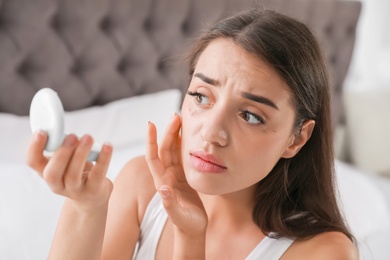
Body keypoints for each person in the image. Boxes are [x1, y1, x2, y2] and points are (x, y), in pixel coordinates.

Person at [26, 8, 358, 259]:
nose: (211, 132)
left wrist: (190, 237)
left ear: (296, 138)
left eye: (251, 116)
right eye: (201, 96)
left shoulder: (322, 251)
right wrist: (85, 207)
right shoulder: (142, 185)